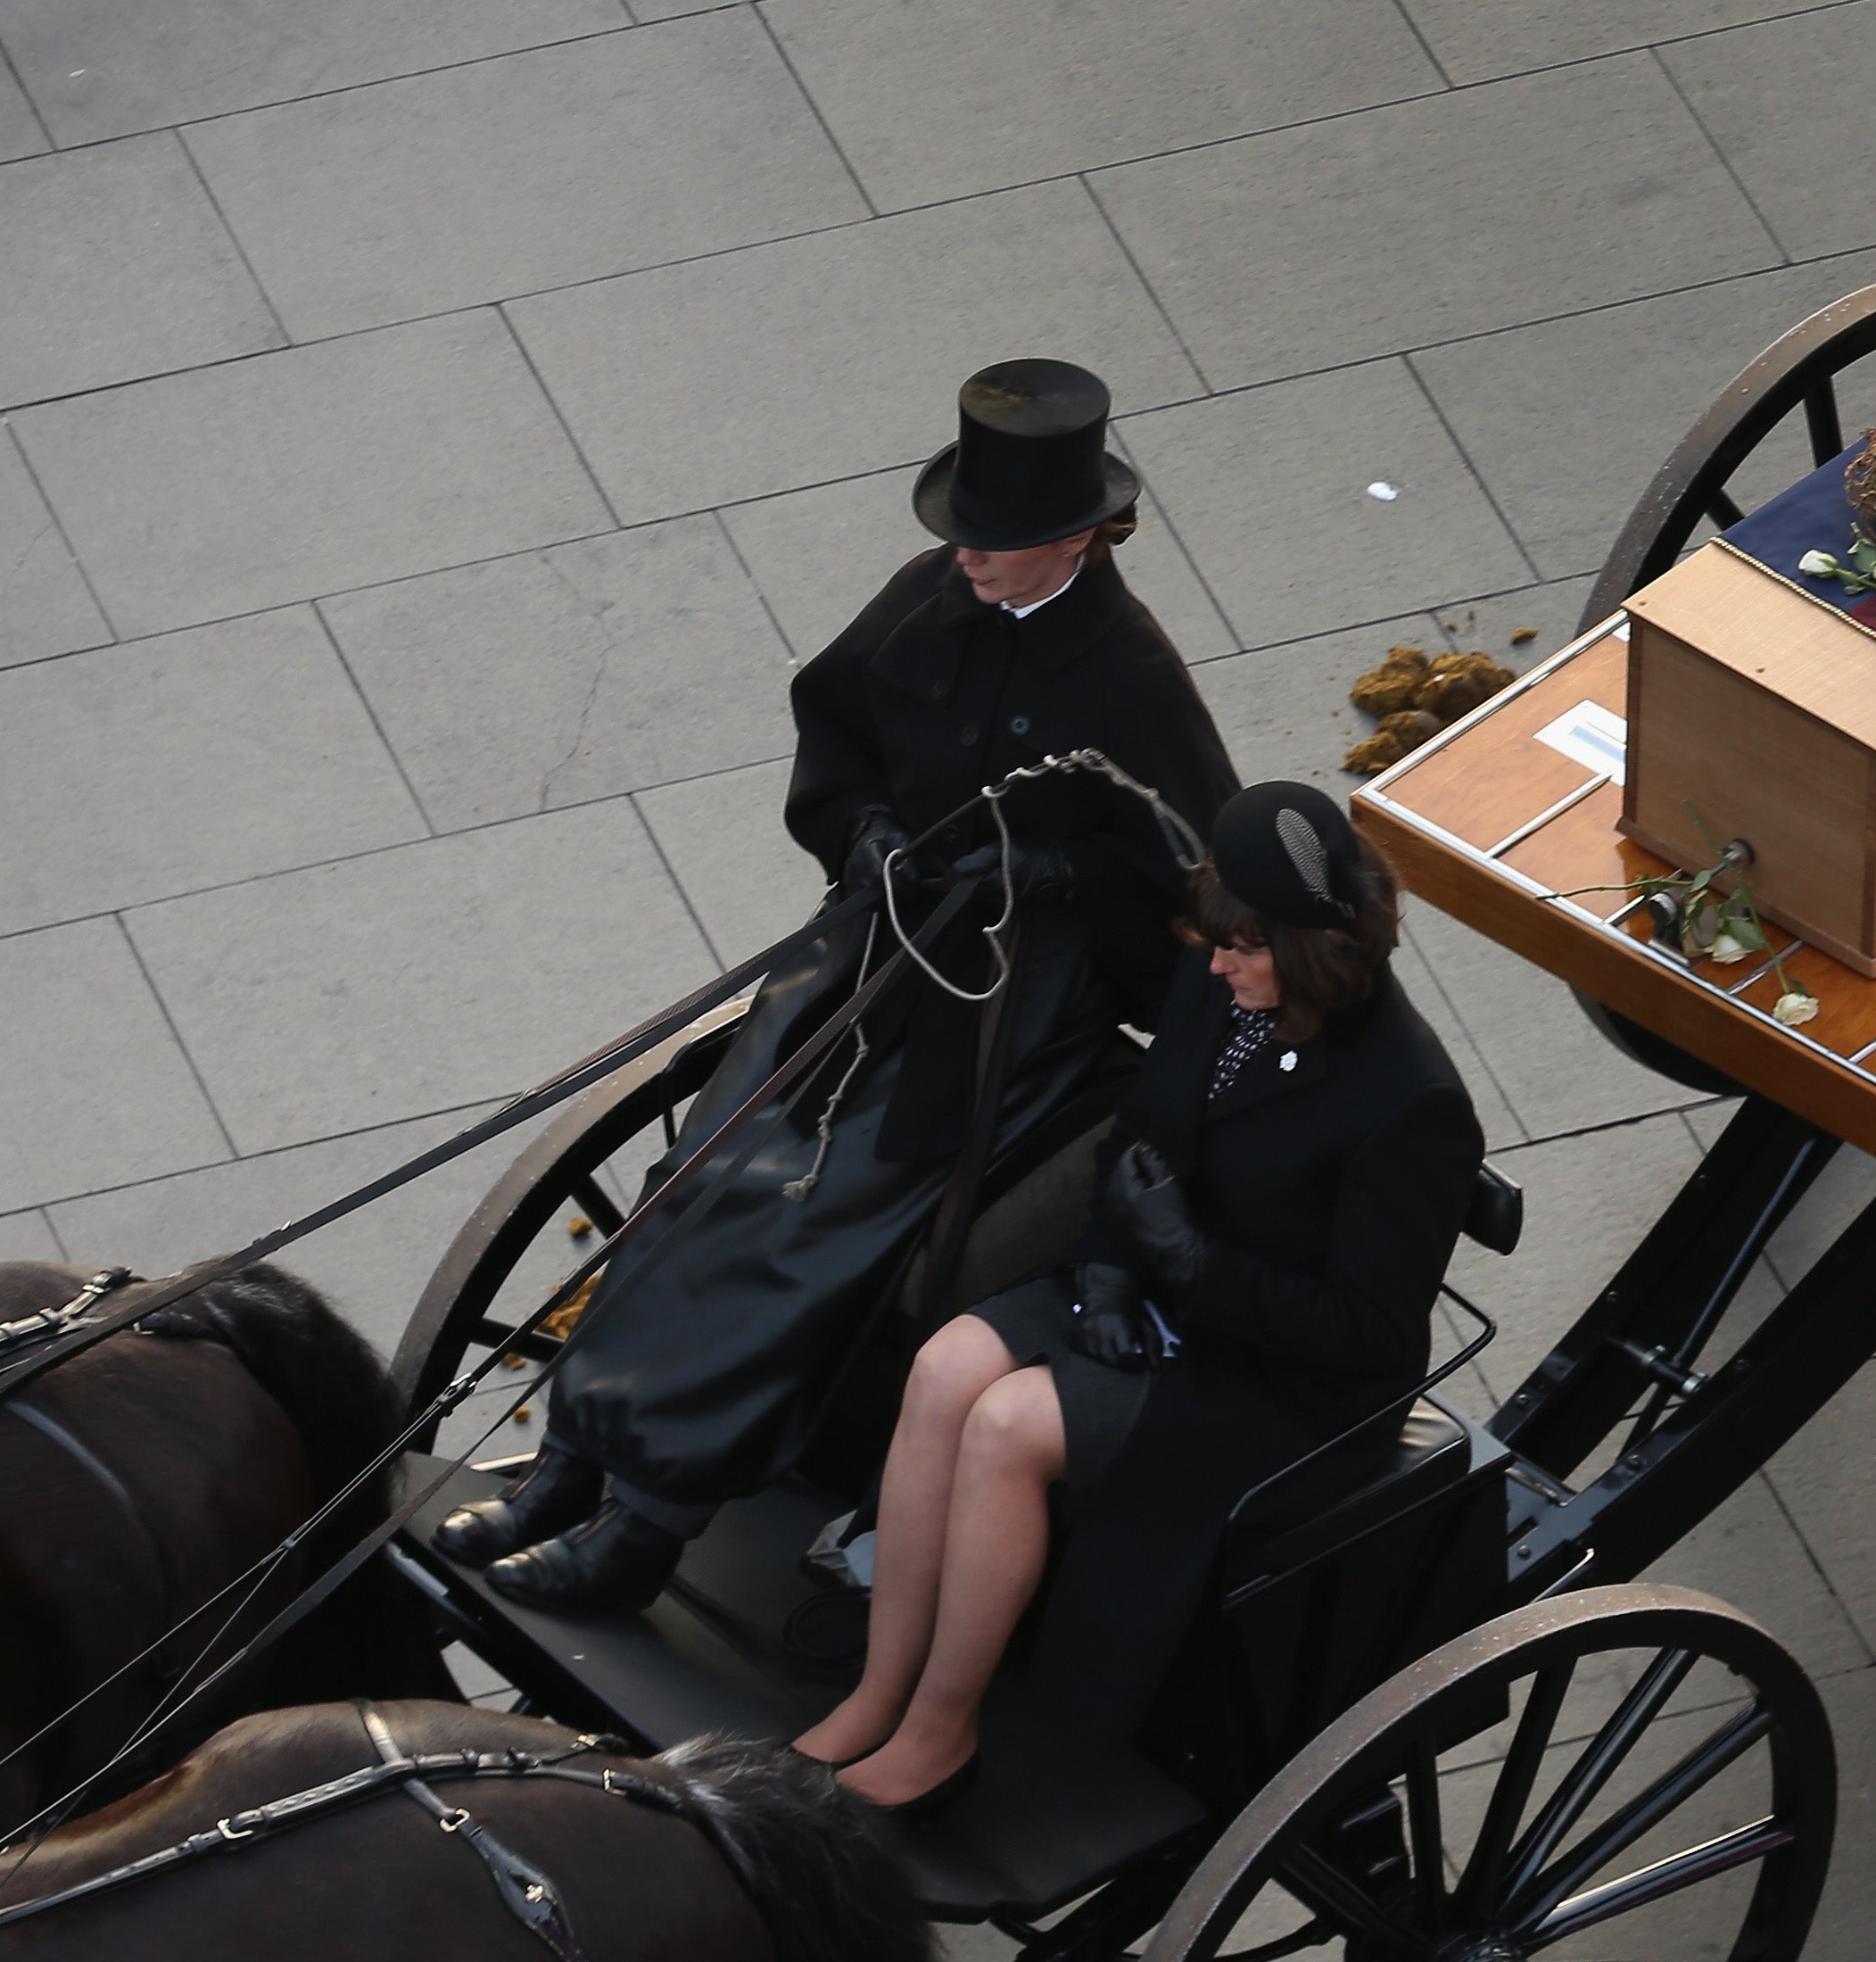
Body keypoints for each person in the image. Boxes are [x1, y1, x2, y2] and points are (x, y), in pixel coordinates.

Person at [439, 361, 1241, 1618]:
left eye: (996, 541)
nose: (966, 560)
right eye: (962, 535)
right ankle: (569, 1462)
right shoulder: (933, 597)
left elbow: (1192, 869)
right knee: (697, 1175)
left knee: (803, 1231)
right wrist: (861, 825)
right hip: (873, 943)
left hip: (1000, 1007)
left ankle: (649, 1523)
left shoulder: (1130, 675)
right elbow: (837, 721)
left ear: (1079, 536)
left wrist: (1056, 872)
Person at [796, 783, 1485, 1813]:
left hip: (1275, 1379)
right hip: (1148, 1290)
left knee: (1004, 1428)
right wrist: (1119, 1262)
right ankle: (882, 1688)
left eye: (1242, 950)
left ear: (1306, 951)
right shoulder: (1221, 991)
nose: (1215, 966)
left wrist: (1197, 1267)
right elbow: (1144, 1131)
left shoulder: (1412, 1102)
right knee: (945, 1369)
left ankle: (942, 1734)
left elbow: (1368, 1331)